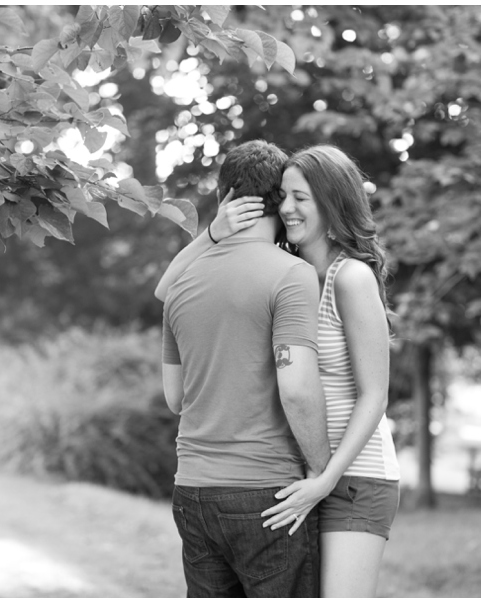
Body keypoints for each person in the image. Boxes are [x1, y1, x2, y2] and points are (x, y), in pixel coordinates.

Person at [157, 144, 400, 598]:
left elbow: (375, 396)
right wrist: (211, 233)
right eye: (282, 196)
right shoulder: (292, 271)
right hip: (303, 473)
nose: (285, 207)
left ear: (333, 202)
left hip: (351, 475)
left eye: (301, 198)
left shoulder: (351, 278)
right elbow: (166, 291)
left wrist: (325, 477)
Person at [161, 139, 332, 597]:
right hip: (266, 493)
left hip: (192, 490)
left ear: (223, 200)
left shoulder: (179, 284)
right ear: (281, 200)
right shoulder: (292, 275)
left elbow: (175, 399)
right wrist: (321, 474)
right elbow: (296, 388)